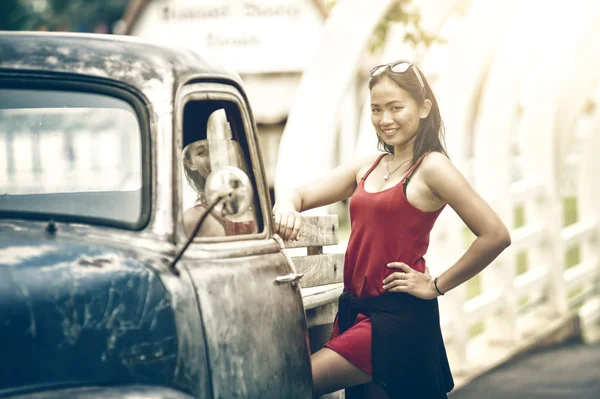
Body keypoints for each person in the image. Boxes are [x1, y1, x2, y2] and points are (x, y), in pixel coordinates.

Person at [273, 60, 511, 399]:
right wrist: (285, 205)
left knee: (296, 381)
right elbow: (299, 194)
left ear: (424, 107)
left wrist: (435, 285)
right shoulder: (367, 166)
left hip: (397, 319)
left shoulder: (432, 167)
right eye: (376, 109)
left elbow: (495, 234)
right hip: (356, 313)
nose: (385, 119)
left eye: (396, 107)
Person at [182, 139, 256, 237]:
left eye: (219, 148)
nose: (215, 159)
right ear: (189, 163)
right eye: (202, 153)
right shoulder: (191, 219)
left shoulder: (261, 209)